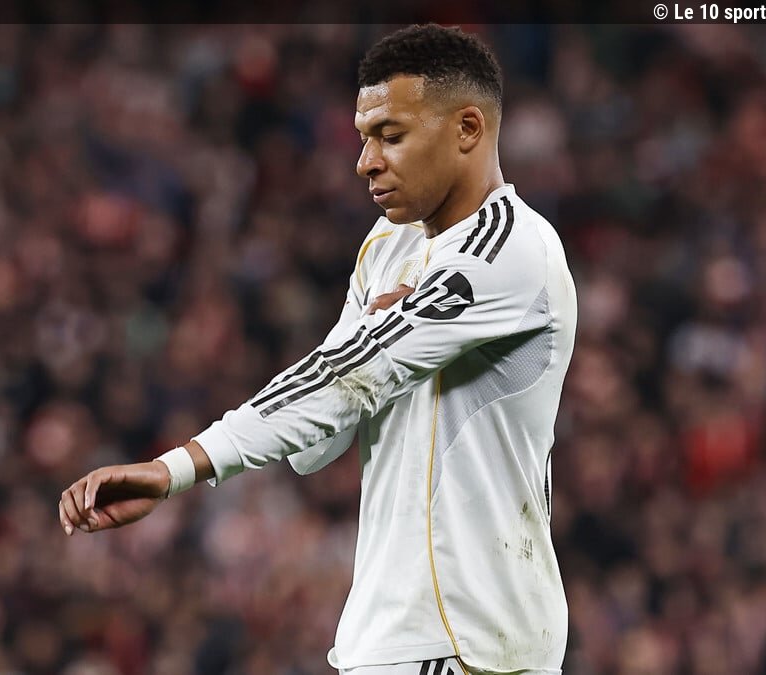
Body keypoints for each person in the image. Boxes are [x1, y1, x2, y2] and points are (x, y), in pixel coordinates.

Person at [59, 24, 576, 675]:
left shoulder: (510, 248)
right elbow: (315, 446)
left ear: (467, 129)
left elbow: (344, 379)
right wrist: (381, 337)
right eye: (364, 138)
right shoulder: (386, 248)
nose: (366, 161)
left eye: (390, 135)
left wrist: (177, 468)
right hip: (389, 637)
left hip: (470, 639)